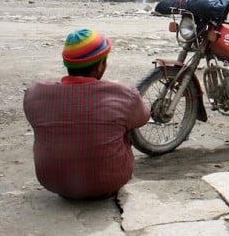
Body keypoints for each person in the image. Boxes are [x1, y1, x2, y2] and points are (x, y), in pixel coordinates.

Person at [23, 29, 150, 200]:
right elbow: (143, 118)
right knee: (124, 123)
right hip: (108, 182)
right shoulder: (123, 93)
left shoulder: (35, 93)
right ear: (100, 65)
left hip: (52, 182)